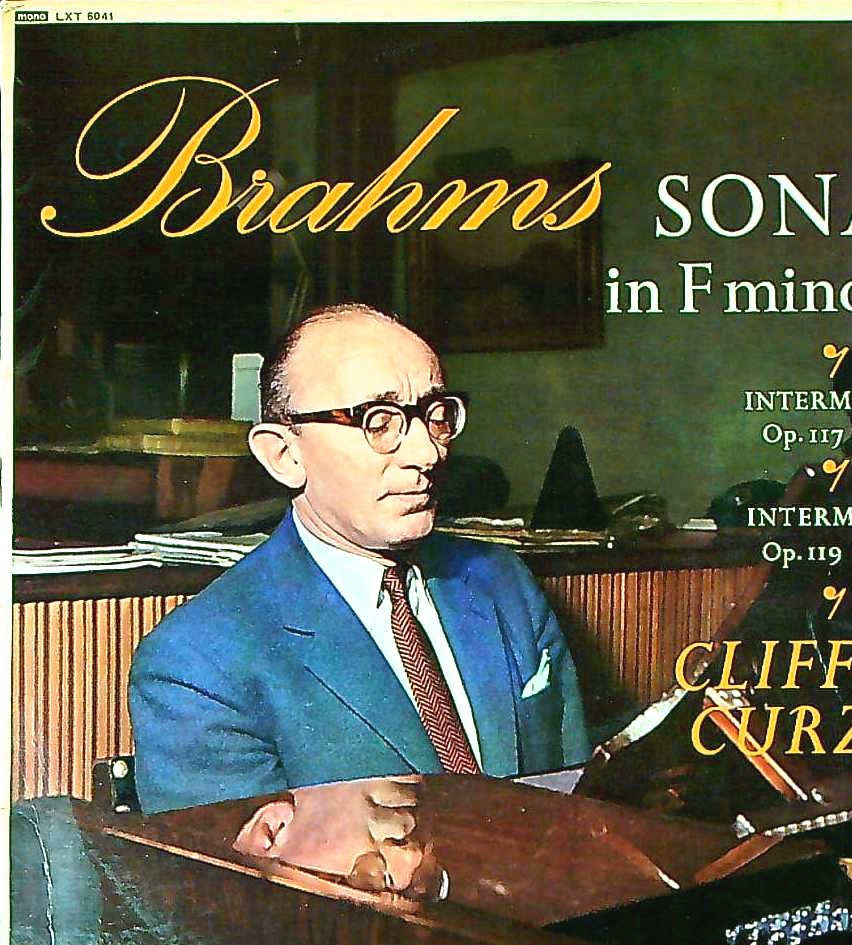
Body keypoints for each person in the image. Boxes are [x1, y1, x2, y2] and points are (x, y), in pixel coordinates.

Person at [130, 304, 590, 813]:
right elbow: (233, 864)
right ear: (284, 455)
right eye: (379, 421)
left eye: (436, 415)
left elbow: (577, 809)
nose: (427, 453)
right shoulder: (197, 661)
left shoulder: (503, 583)